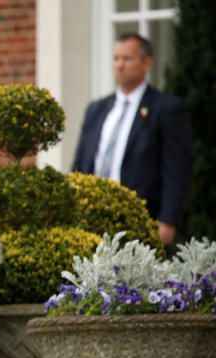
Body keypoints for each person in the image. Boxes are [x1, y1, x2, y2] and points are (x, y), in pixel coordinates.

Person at [71, 33, 191, 246]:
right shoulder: (96, 109)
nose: (119, 65)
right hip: (91, 221)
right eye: (116, 58)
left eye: (127, 59)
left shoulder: (166, 109)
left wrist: (168, 221)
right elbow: (80, 164)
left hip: (141, 221)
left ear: (147, 63)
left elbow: (176, 170)